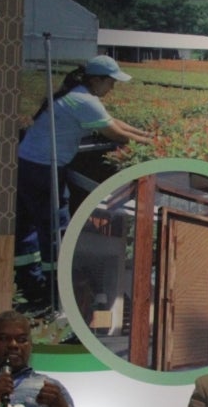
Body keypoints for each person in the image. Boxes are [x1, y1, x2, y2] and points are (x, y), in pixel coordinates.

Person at [15, 54, 153, 316]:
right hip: (45, 170)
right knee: (55, 230)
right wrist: (149, 144)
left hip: (26, 164)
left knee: (27, 228)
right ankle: (54, 296)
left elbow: (113, 122)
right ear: (97, 80)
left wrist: (144, 135)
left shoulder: (76, 95)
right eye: (110, 82)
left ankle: (30, 289)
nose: (112, 88)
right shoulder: (84, 101)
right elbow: (114, 133)